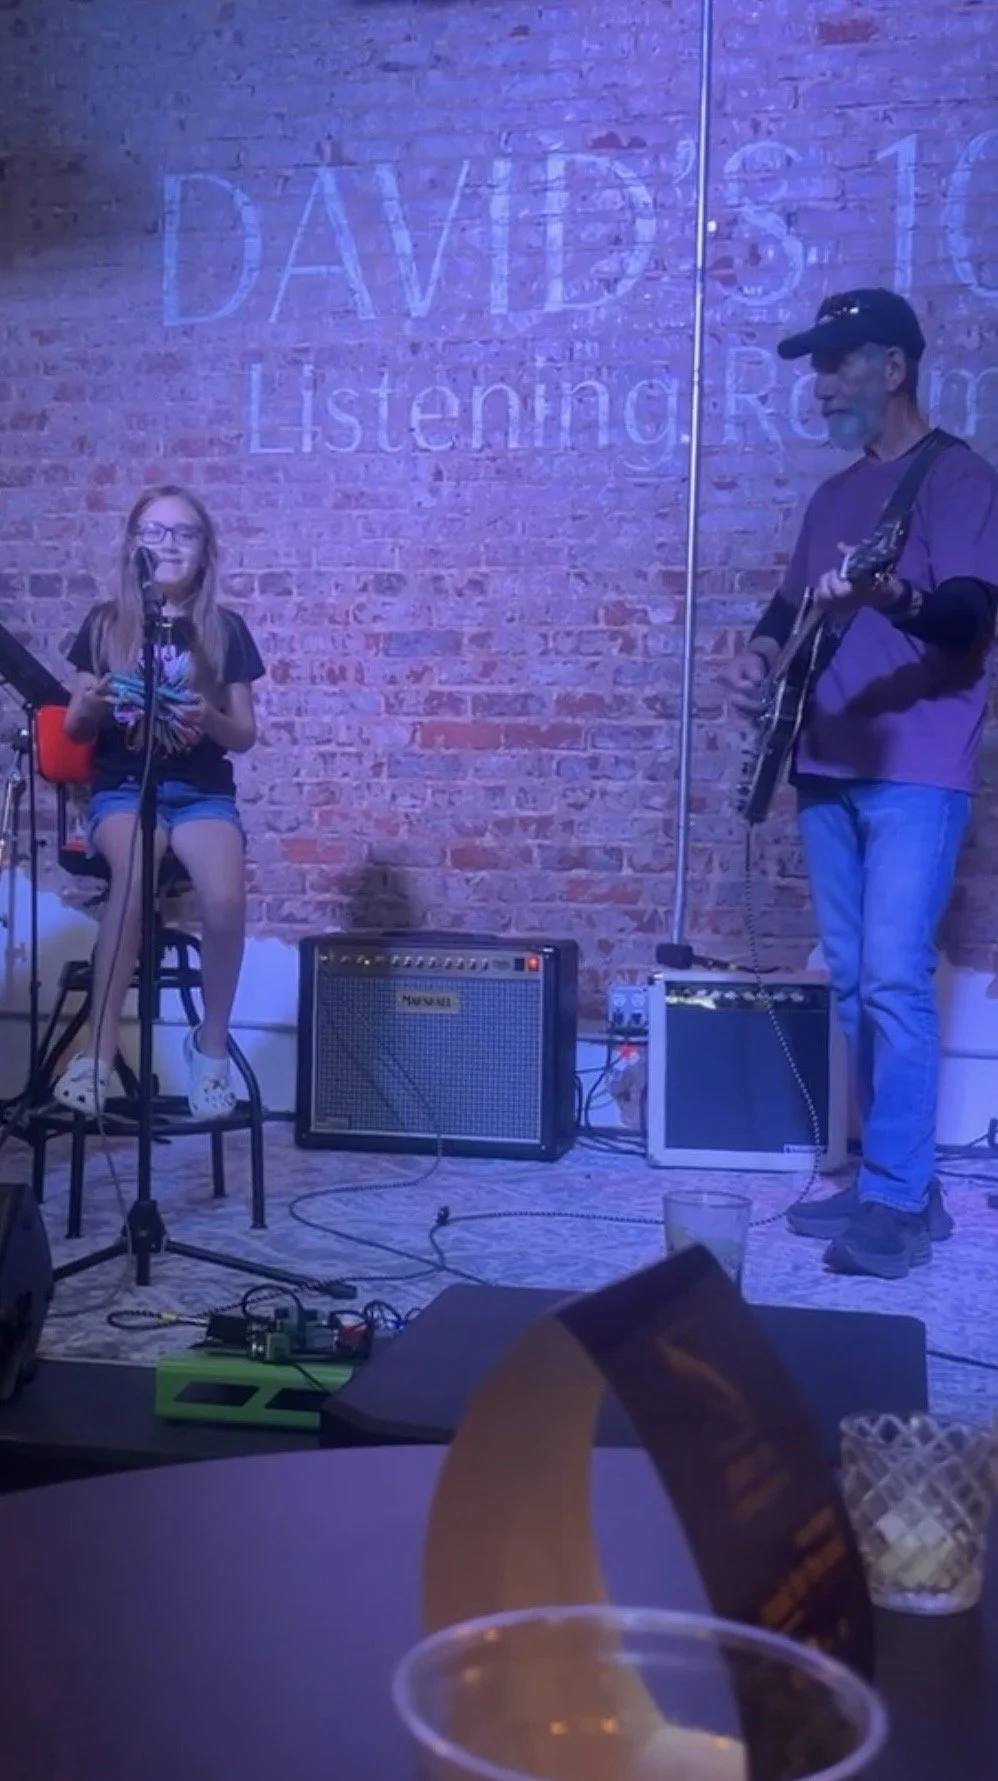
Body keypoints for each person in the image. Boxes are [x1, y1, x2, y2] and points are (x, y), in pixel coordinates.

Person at [723, 289, 998, 1281]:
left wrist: (892, 593)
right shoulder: (832, 497)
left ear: (891, 367)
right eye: (813, 365)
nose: (818, 382)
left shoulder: (959, 480)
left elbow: (966, 620)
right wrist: (756, 656)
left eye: (835, 362)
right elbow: (786, 603)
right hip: (822, 765)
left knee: (890, 976)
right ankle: (898, 1178)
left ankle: (891, 1197)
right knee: (847, 979)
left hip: (914, 771)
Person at [56, 484, 265, 1120]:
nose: (168, 545)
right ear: (133, 546)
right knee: (136, 872)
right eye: (154, 532)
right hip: (124, 788)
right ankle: (95, 1055)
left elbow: (246, 736)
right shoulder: (104, 623)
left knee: (226, 899)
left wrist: (209, 718)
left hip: (200, 791)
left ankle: (211, 1051)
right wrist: (89, 708)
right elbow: (73, 729)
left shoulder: (224, 630)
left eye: (184, 533)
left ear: (206, 551)